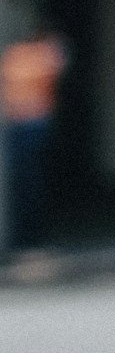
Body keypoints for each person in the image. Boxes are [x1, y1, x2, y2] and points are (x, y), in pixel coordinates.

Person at [2, 15, 68, 249]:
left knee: (30, 180)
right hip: (25, 123)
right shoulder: (25, 55)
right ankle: (27, 235)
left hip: (31, 123)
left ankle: (31, 235)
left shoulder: (24, 55)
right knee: (27, 181)